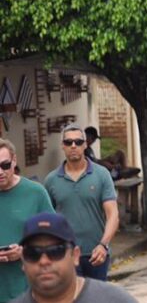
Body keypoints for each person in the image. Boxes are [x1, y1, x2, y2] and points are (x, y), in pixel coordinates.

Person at [43, 126, 118, 280]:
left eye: (78, 142)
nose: (73, 146)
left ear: (85, 145)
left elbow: (113, 215)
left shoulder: (101, 174)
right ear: (62, 145)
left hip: (96, 254)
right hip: (66, 256)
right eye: (68, 142)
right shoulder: (51, 180)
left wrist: (103, 245)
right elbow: (47, 220)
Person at [11, 213, 136, 302]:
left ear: (75, 256)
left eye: (56, 251)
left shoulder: (114, 300)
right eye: (33, 253)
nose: (44, 261)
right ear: (23, 260)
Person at [0, 138, 55, 301]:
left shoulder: (35, 193)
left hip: (28, 289)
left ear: (14, 160)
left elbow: (55, 237)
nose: (0, 172)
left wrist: (25, 251)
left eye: (5, 165)